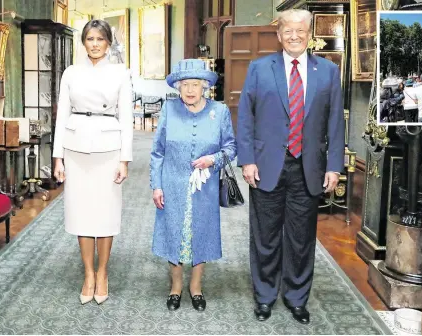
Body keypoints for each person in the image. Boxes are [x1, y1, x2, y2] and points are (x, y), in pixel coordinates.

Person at [237, 9, 344, 323]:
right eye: (288, 31)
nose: (294, 36)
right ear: (279, 34)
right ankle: (265, 296)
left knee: (301, 238)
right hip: (267, 165)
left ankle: (297, 297)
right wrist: (247, 161)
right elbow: (246, 119)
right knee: (265, 236)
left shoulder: (327, 71)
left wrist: (334, 166)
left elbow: (335, 122)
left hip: (308, 168)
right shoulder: (259, 69)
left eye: (300, 31)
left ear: (309, 34)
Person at [52, 19, 133, 305]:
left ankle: (103, 272)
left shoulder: (121, 73)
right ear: (83, 42)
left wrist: (125, 159)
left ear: (108, 42)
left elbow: (127, 118)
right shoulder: (71, 73)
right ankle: (88, 274)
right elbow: (61, 115)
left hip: (108, 149)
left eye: (100, 39)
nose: (95, 44)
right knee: (81, 214)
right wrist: (57, 156)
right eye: (90, 39)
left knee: (106, 214)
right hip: (75, 149)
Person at [150, 59, 236, 312]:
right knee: (173, 232)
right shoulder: (169, 109)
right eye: (185, 84)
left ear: (205, 86)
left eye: (195, 84)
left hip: (205, 188)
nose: (189, 90)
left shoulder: (219, 112)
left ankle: (196, 287)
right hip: (172, 183)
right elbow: (157, 152)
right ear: (178, 86)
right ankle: (175, 287)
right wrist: (157, 186)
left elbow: (231, 148)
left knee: (202, 233)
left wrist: (213, 159)